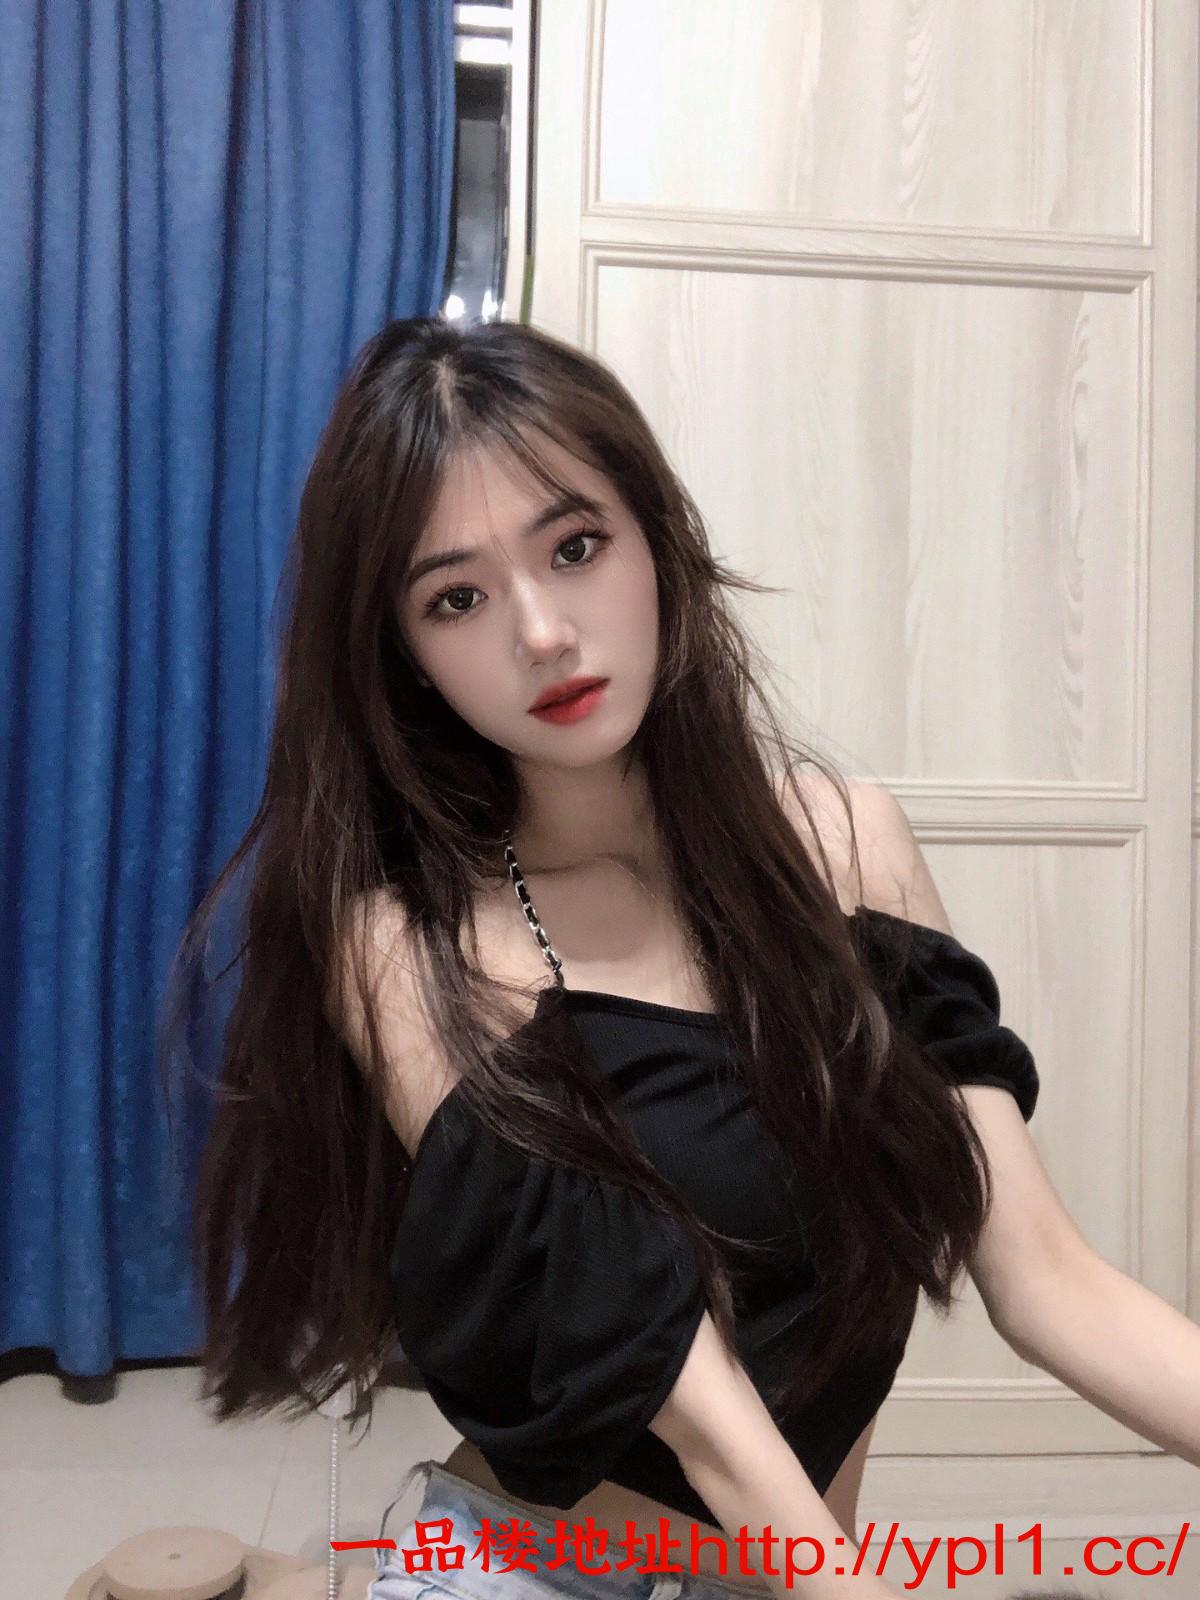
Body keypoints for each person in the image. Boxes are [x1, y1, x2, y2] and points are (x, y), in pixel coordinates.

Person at [162, 316, 1198, 1600]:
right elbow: (685, 1396)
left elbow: (1048, 1283)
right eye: (456, 598)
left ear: (655, 539)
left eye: (575, 546)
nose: (543, 631)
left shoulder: (848, 846)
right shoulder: (412, 943)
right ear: (407, 658)